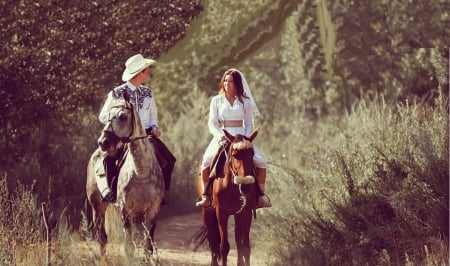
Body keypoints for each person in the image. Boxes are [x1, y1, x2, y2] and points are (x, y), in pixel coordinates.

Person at [98, 53, 176, 204]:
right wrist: (117, 119)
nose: (148, 73)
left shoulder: (148, 93)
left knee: (170, 159)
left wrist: (154, 127)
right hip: (123, 136)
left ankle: (163, 193)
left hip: (145, 135)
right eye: (146, 70)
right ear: (139, 73)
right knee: (108, 159)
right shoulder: (117, 93)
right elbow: (102, 116)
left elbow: (153, 116)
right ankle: (113, 194)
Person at [195, 68, 271, 208]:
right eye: (225, 81)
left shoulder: (245, 101)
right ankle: (206, 196)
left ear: (237, 84)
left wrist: (246, 139)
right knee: (206, 161)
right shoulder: (216, 100)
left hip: (241, 137)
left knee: (261, 162)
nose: (226, 84)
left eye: (230, 81)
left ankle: (260, 196)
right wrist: (220, 136)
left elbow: (249, 123)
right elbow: (211, 123)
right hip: (223, 137)